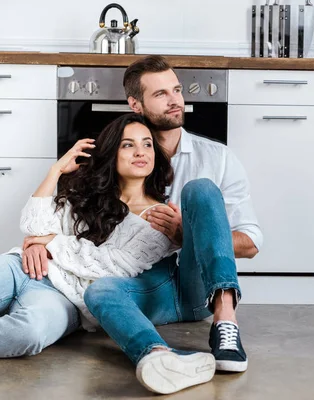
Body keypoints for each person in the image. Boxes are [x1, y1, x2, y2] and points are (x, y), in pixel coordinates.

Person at [0, 114, 205, 366]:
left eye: (147, 144)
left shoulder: (160, 218)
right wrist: (55, 171)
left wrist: (48, 241)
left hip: (66, 302)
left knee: (28, 334)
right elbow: (32, 225)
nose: (140, 152)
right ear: (112, 154)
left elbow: (110, 267)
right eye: (128, 145)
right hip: (20, 269)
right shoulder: (85, 194)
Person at [81, 55, 263, 395]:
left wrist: (187, 234)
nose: (176, 100)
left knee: (201, 189)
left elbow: (251, 243)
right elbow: (75, 219)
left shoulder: (218, 158)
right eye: (161, 93)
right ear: (135, 104)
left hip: (199, 288)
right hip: (150, 288)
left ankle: (226, 320)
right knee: (99, 290)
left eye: (177, 90)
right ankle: (160, 356)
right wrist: (37, 239)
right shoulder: (119, 158)